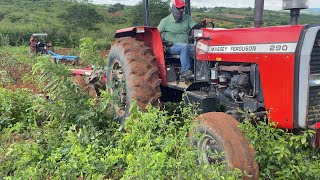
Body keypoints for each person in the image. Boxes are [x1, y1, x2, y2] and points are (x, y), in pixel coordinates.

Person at [157, 0, 196, 80]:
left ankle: (202, 73)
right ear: (172, 8)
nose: (181, 10)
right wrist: (161, 45)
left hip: (187, 46)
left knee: (201, 49)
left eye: (182, 7)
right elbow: (155, 34)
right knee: (184, 47)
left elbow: (196, 28)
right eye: (179, 8)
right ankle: (186, 73)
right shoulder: (165, 21)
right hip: (171, 47)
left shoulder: (187, 18)